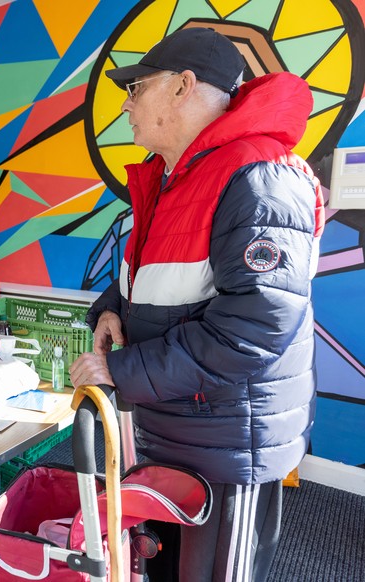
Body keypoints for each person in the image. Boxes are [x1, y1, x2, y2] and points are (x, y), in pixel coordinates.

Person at [68, 28, 324, 581]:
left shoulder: (258, 176)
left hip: (229, 445)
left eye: (136, 87)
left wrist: (121, 369)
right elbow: (151, 275)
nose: (127, 103)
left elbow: (254, 327)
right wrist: (111, 309)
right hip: (176, 430)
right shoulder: (172, 177)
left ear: (185, 86)